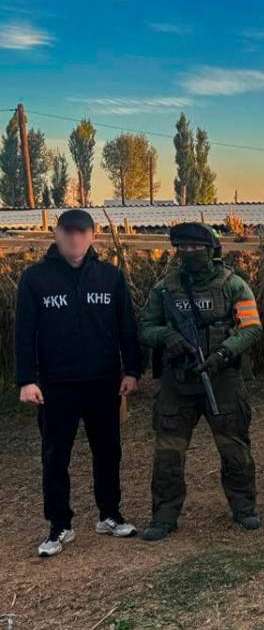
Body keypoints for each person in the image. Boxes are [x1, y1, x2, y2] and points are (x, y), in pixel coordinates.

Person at [15, 209, 142, 557]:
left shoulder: (110, 278)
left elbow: (126, 328)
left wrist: (131, 370)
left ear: (93, 235)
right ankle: (60, 525)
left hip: (103, 382)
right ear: (56, 234)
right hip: (56, 385)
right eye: (68, 232)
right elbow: (24, 333)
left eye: (82, 232)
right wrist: (26, 380)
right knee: (56, 456)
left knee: (108, 452)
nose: (75, 238)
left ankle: (110, 514)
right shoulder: (36, 279)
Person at [138, 223, 264, 542]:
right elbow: (145, 327)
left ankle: (244, 508)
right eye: (184, 248)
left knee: (234, 446)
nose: (190, 253)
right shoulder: (164, 288)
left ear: (212, 251)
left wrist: (223, 353)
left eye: (196, 248)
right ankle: (164, 515)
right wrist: (168, 337)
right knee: (168, 452)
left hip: (222, 379)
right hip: (177, 382)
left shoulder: (233, 285)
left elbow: (251, 327)